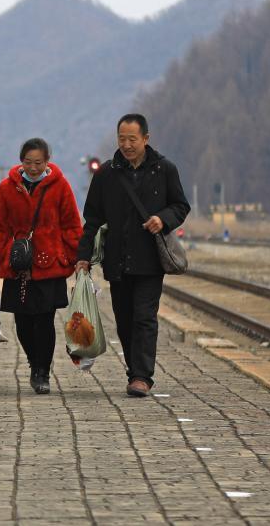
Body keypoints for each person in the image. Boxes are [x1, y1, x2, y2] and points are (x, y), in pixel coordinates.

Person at [76, 114, 190, 397]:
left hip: (150, 261)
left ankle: (142, 376)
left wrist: (163, 219)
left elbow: (180, 205)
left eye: (132, 139)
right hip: (117, 261)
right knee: (124, 319)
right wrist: (83, 257)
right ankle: (133, 371)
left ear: (146, 139)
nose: (126, 145)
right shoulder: (106, 174)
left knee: (145, 317)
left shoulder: (164, 170)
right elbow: (92, 218)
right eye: (122, 139)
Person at [0, 138, 82, 394]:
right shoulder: (7, 188)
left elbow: (71, 224)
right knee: (23, 322)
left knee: (44, 319)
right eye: (27, 162)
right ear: (20, 161)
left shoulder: (60, 186)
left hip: (49, 265)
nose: (33, 168)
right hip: (18, 264)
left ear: (47, 161)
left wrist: (77, 256)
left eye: (38, 162)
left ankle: (41, 371)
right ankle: (33, 361)